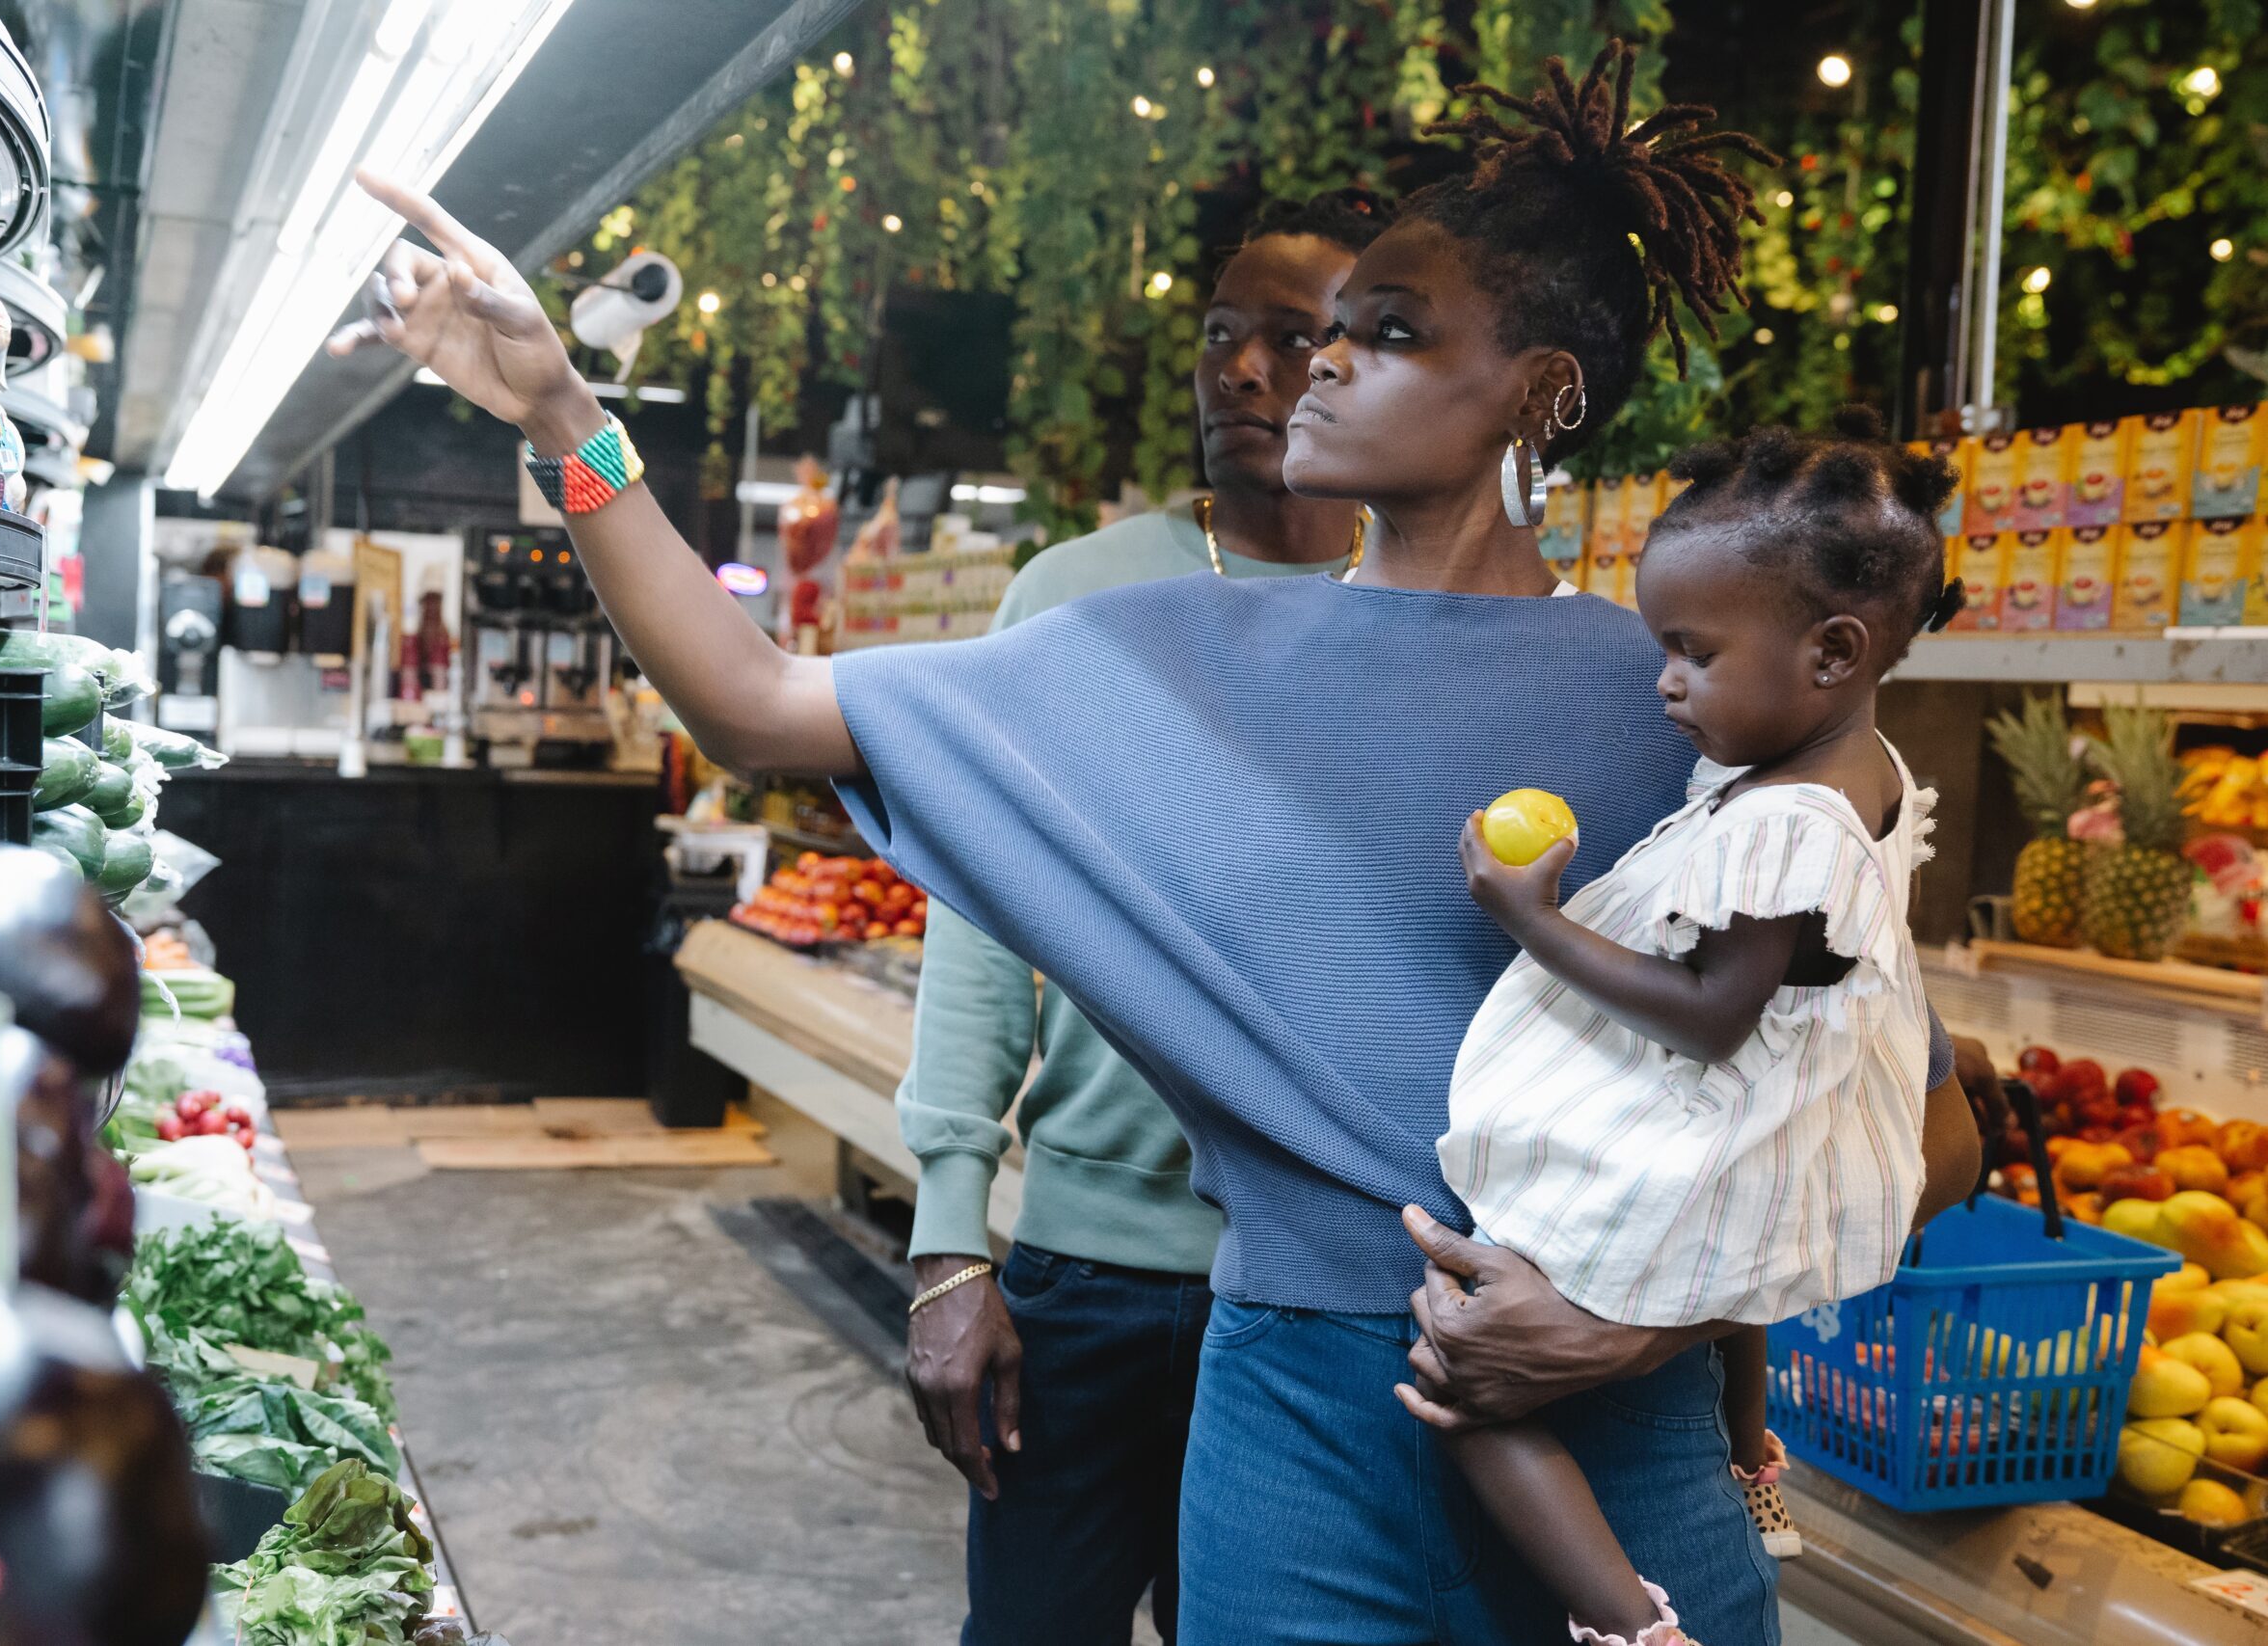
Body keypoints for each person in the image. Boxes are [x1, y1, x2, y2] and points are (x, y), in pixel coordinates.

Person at [326, 39, 1989, 1641]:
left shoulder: (1687, 710)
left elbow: (1922, 1137)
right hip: (1295, 1440)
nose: (1321, 361)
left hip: (1623, 1448)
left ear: (1538, 396)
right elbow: (756, 700)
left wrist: (1645, 1320)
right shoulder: (1152, 661)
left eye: (1390, 331)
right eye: (1331, 327)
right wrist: (558, 412)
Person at [899, 189, 1394, 1646]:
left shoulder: (1432, 613)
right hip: (1088, 1278)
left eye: (1290, 338)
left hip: (1329, 1294)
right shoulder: (1078, 597)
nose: (1239, 369)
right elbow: (982, 922)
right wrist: (948, 1243)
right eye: (1220, 335)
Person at [1404, 409, 1963, 1646]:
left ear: (1830, 651)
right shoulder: (1855, 778)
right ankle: (1751, 1468)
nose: (1662, 680)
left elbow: (1712, 1017)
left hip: (1690, 1143)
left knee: (1464, 1377)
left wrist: (1527, 915)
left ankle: (1629, 1621)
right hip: (1762, 1148)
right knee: (1732, 1318)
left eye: (1692, 652)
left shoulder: (1786, 823)